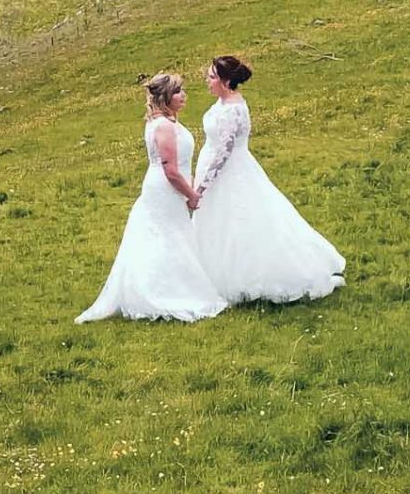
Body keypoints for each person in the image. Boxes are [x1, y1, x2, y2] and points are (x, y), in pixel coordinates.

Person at [192, 55, 344, 305]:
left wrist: (202, 187)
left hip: (229, 174)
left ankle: (244, 279)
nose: (207, 81)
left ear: (226, 81)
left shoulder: (232, 110)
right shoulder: (223, 103)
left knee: (237, 221)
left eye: (211, 77)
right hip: (218, 170)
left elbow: (224, 152)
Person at [77, 71, 227, 324]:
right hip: (165, 189)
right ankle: (161, 293)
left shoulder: (165, 122)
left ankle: (169, 285)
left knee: (172, 236)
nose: (183, 95)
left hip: (167, 188)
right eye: (177, 92)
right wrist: (191, 194)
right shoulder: (164, 126)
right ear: (165, 97)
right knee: (166, 237)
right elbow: (170, 170)